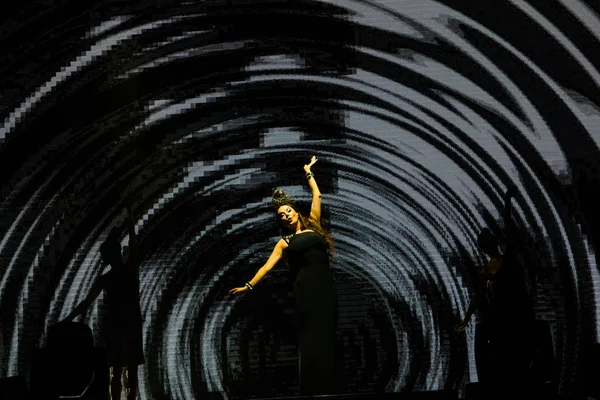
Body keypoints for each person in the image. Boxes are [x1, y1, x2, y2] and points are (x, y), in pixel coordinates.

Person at [229, 156, 337, 396]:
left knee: (326, 336)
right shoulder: (284, 242)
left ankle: (328, 387)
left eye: (288, 211)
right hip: (305, 292)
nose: (285, 215)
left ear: (296, 213)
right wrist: (248, 286)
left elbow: (317, 196)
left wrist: (308, 172)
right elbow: (266, 268)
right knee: (310, 338)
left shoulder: (314, 225)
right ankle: (310, 388)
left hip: (326, 289)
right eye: (280, 215)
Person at [455, 185, 535, 397]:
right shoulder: (497, 264)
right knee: (514, 364)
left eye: (489, 236)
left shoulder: (506, 257)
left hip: (516, 316)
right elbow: (479, 297)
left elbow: (509, 227)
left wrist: (507, 201)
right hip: (511, 318)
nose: (491, 239)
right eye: (487, 238)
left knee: (518, 363)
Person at [63, 203, 144, 400]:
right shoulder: (129, 270)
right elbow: (134, 244)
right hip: (129, 323)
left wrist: (68, 319)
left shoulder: (108, 278)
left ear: (108, 256)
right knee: (129, 369)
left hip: (116, 326)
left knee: (116, 370)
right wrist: (131, 217)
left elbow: (86, 303)